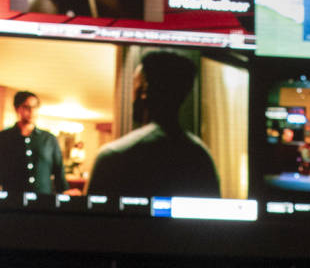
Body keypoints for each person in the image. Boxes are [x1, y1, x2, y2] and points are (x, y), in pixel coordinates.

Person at [87, 51, 220, 198]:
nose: (131, 98)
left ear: (144, 91)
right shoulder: (201, 157)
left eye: (135, 86)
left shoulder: (112, 157)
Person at [0, 91, 68, 195]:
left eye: (35, 107)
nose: (31, 111)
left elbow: (59, 171)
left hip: (43, 200)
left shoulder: (49, 139)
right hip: (13, 199)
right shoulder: (4, 137)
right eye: (26, 107)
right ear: (17, 108)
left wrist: (65, 192)